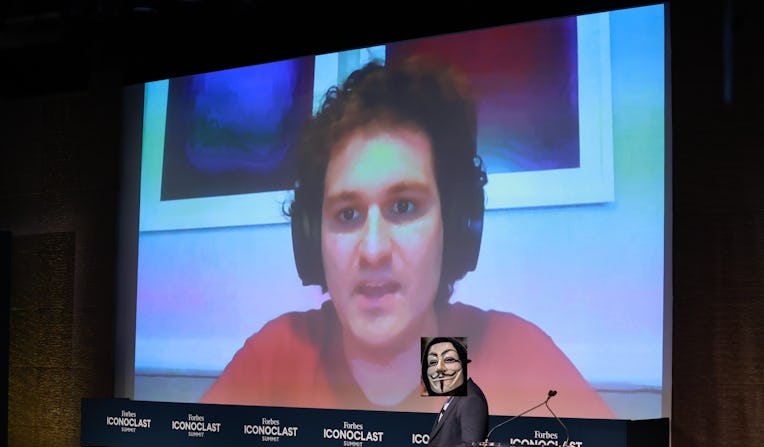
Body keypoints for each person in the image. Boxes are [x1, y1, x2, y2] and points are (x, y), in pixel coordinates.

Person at [200, 56, 614, 418]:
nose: (373, 250)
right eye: (347, 214)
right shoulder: (278, 357)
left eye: (403, 207)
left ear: (455, 224)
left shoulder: (515, 356)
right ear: (312, 238)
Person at [402, 337, 490, 447]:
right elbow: (451, 442)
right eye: (432, 362)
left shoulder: (471, 398)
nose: (440, 368)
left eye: (449, 359)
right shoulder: (456, 396)